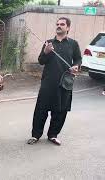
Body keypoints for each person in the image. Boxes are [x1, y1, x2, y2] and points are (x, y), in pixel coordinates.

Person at [27, 17, 81, 146]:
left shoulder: (73, 44)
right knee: (41, 109)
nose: (59, 26)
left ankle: (53, 135)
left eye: (62, 24)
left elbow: (78, 59)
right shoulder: (48, 43)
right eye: (57, 24)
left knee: (60, 110)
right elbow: (41, 61)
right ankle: (36, 135)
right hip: (48, 82)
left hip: (65, 82)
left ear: (68, 27)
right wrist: (46, 52)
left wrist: (76, 67)